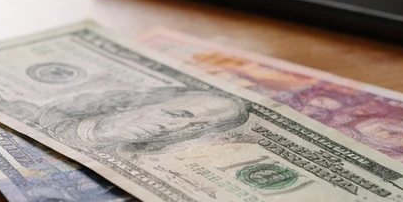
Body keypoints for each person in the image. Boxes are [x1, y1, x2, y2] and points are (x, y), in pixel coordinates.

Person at [35, 85, 249, 155]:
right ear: (136, 104)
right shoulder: (47, 119)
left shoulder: (134, 155)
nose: (180, 127)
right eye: (178, 114)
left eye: (199, 126)